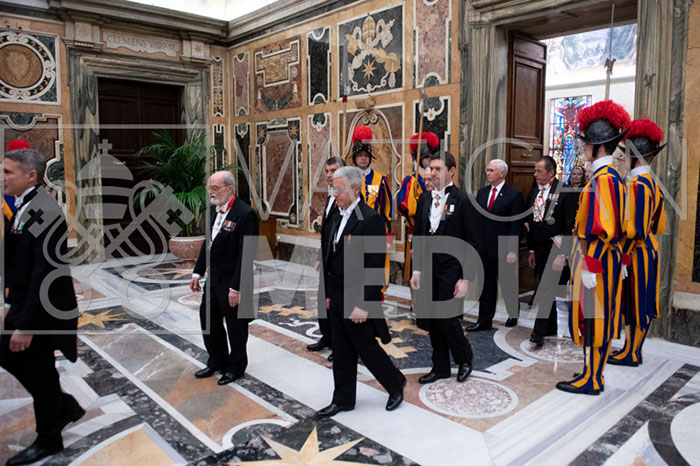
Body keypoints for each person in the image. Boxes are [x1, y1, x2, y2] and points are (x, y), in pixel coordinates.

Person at [2, 148, 85, 466]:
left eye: (8, 172)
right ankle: (62, 407)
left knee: (35, 366)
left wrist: (26, 325)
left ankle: (50, 436)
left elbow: (45, 273)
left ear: (31, 175)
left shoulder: (45, 210)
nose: (3, 178)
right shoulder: (26, 205)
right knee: (28, 364)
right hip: (26, 303)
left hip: (43, 310)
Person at [317, 166, 405, 417]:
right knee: (341, 349)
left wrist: (363, 304)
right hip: (337, 294)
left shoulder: (371, 219)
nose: (334, 194)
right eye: (333, 189)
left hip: (357, 297)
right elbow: (331, 257)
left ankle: (395, 384)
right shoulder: (336, 216)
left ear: (356, 190)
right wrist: (328, 294)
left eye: (339, 189)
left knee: (366, 348)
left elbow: (375, 266)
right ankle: (343, 399)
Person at [557, 100, 630, 395]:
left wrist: (589, 265)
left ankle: (592, 379)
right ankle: (592, 371)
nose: (583, 147)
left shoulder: (603, 180)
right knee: (598, 316)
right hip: (604, 260)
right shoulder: (612, 178)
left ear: (598, 147)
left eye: (586, 143)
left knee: (594, 318)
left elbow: (601, 230)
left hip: (595, 260)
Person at [410, 151, 479, 383]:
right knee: (432, 319)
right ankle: (440, 366)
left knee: (447, 318)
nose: (432, 173)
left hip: (451, 268)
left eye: (438, 169)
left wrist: (465, 278)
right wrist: (416, 271)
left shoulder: (464, 200)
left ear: (451, 171)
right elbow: (419, 235)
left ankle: (464, 357)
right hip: (428, 267)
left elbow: (472, 242)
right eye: (430, 168)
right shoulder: (424, 198)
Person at [190, 171, 258, 386]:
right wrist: (197, 272)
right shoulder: (213, 210)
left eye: (215, 188)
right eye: (209, 188)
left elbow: (247, 255)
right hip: (214, 277)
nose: (211, 192)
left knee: (236, 326)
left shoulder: (245, 214)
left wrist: (236, 288)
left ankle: (236, 367)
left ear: (230, 189)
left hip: (235, 280)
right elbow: (208, 244)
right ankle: (217, 360)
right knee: (208, 319)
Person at [608, 119, 666, 367]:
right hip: (643, 250)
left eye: (626, 154)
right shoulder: (649, 183)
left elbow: (635, 230)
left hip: (636, 253)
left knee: (638, 303)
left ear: (635, 158)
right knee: (635, 302)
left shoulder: (638, 186)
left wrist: (622, 256)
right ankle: (630, 349)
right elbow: (657, 225)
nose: (622, 158)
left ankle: (633, 352)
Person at [525, 156, 574, 347]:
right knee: (548, 289)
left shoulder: (565, 192)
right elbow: (531, 223)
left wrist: (564, 254)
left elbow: (569, 226)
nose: (535, 174)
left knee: (546, 289)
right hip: (539, 248)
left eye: (539, 171)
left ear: (551, 172)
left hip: (556, 247)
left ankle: (538, 332)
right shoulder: (535, 191)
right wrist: (531, 250)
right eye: (535, 171)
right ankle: (551, 326)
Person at [469, 159, 524, 331]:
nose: (488, 173)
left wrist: (512, 250)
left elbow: (515, 224)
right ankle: (484, 320)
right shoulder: (482, 193)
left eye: (491, 170)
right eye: (487, 169)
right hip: (484, 248)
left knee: (507, 284)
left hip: (503, 248)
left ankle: (513, 314)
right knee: (486, 285)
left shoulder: (513, 195)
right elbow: (477, 220)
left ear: (502, 173)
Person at [308, 157, 345, 360]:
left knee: (336, 303)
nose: (330, 175)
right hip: (326, 258)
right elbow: (327, 233)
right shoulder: (330, 197)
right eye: (327, 171)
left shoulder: (346, 198)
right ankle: (327, 337)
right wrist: (320, 256)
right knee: (323, 300)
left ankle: (339, 345)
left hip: (338, 261)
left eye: (334, 171)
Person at [396, 132, 439, 293]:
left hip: (435, 231)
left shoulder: (438, 178)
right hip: (416, 229)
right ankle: (415, 302)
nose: (429, 159)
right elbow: (403, 206)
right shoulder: (411, 180)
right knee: (415, 268)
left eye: (432, 155)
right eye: (426, 156)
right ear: (419, 157)